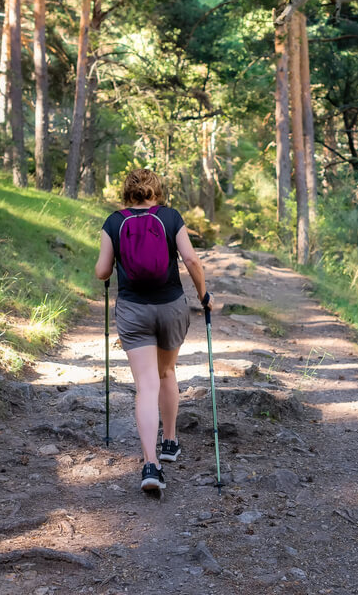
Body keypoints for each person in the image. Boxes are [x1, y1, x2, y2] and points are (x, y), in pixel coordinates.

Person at [94, 168, 208, 493]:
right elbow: (192, 261)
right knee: (167, 372)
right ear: (156, 191)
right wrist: (204, 297)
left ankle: (150, 464)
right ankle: (170, 442)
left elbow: (103, 271)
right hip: (171, 305)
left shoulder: (114, 222)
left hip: (133, 310)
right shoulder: (170, 217)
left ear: (126, 192)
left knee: (145, 386)